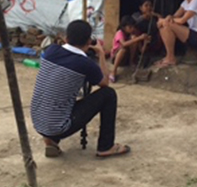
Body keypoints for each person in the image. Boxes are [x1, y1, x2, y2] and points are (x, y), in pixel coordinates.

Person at [30, 19, 130, 158]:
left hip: (38, 121)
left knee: (58, 99)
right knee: (108, 94)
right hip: (60, 127)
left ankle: (50, 140)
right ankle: (106, 146)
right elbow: (105, 83)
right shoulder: (84, 64)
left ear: (66, 38)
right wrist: (101, 54)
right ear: (89, 42)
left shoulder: (51, 51)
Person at [109, 16, 148, 83]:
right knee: (123, 49)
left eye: (133, 27)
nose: (132, 29)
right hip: (116, 57)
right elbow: (123, 44)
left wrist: (145, 42)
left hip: (127, 58)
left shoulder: (133, 35)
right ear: (124, 27)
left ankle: (131, 61)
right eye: (130, 27)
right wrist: (139, 38)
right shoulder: (119, 33)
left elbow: (142, 50)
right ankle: (114, 71)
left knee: (133, 38)